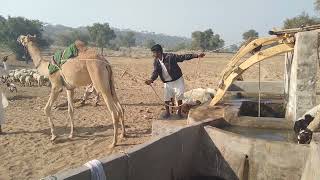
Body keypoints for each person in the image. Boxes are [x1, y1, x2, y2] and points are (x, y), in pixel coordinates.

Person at [145, 44, 205, 119]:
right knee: (166, 98)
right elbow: (155, 72)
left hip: (177, 80)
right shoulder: (156, 62)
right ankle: (167, 113)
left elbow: (182, 57)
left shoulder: (170, 57)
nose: (153, 55)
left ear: (159, 52)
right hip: (167, 82)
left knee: (179, 96)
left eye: (154, 53)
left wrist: (196, 55)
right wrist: (151, 80)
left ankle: (179, 113)